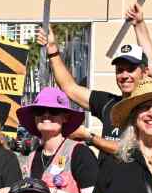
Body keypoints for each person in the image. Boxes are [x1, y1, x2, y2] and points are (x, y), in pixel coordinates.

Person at [40, 27, 144, 158]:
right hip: (103, 178)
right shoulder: (108, 103)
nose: (124, 75)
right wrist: (53, 51)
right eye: (120, 70)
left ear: (144, 72)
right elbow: (69, 87)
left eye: (131, 69)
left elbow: (127, 149)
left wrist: (89, 137)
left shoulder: (151, 109)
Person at [16, 87, 98, 193]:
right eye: (40, 111)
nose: (46, 115)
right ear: (34, 118)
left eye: (53, 111)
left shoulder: (80, 153)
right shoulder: (31, 157)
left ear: (65, 117)